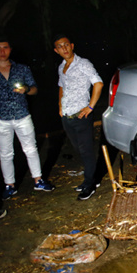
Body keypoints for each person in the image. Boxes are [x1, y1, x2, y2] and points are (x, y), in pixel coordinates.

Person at [0, 36, 55, 200]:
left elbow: (35, 89)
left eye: (5, 47)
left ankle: (38, 180)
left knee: (31, 148)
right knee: (6, 153)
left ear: (10, 49)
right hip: (0, 119)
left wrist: (26, 90)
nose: (2, 51)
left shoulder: (21, 69)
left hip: (22, 115)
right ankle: (9, 185)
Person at [53, 34, 103, 200]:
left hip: (82, 115)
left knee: (86, 151)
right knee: (79, 150)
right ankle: (92, 178)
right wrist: (60, 106)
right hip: (67, 115)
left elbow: (98, 83)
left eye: (66, 44)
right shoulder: (62, 67)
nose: (64, 48)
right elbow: (61, 86)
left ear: (72, 45)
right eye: (60, 46)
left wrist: (90, 106)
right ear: (56, 50)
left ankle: (89, 185)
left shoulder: (83, 64)